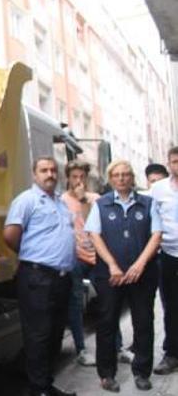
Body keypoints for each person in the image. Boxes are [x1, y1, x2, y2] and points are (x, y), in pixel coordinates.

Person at [85, 160, 162, 392]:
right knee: (107, 323)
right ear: (111, 178)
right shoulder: (101, 204)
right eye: (116, 175)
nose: (121, 178)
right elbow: (94, 235)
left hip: (143, 275)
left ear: (132, 177)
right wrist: (112, 265)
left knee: (143, 322)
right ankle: (107, 375)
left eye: (126, 174)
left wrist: (139, 264)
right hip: (111, 276)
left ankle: (141, 372)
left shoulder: (147, 203)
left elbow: (156, 235)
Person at [3, 156, 76, 396]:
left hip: (62, 279)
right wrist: (33, 256)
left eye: (54, 170)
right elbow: (10, 235)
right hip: (37, 278)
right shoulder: (27, 200)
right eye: (44, 170)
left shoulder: (60, 202)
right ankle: (39, 390)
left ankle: (45, 384)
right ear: (35, 175)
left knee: (55, 334)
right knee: (39, 336)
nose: (50, 174)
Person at [60, 160, 99, 367]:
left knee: (108, 301)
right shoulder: (61, 200)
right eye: (74, 177)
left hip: (97, 256)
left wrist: (83, 199)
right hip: (75, 258)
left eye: (82, 177)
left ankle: (117, 347)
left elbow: (93, 224)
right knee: (75, 304)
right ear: (68, 178)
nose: (78, 181)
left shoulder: (95, 199)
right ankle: (81, 349)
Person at [149, 147, 178, 375]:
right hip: (168, 255)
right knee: (171, 306)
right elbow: (149, 217)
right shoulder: (158, 189)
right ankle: (172, 354)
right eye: (174, 161)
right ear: (169, 164)